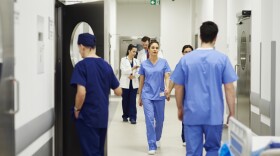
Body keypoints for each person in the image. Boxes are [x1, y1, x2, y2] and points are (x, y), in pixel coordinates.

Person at [171, 21, 237, 156]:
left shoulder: (186, 60)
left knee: (193, 152)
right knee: (213, 149)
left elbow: (178, 87)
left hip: (192, 113)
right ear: (215, 38)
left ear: (200, 37)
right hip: (214, 114)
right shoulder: (222, 59)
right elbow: (229, 88)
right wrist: (231, 112)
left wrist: (179, 108)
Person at [70, 33, 122, 156]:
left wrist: (77, 109)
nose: (80, 52)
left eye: (79, 49)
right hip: (102, 116)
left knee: (90, 152)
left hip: (88, 117)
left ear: (82, 47)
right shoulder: (106, 66)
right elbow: (118, 91)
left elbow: (81, 92)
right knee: (98, 150)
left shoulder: (81, 66)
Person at [138, 40, 171, 155]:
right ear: (149, 49)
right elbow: (141, 80)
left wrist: (167, 88)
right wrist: (140, 96)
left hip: (160, 94)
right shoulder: (144, 64)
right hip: (147, 94)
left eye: (157, 47)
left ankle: (156, 137)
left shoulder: (163, 62)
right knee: (149, 120)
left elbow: (167, 76)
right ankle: (151, 144)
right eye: (153, 47)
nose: (155, 49)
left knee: (160, 120)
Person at [166, 44, 194, 147]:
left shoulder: (196, 63)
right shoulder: (181, 64)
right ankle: (185, 138)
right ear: (182, 53)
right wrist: (168, 90)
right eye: (186, 51)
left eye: (190, 51)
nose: (187, 53)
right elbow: (174, 78)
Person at [119, 44, 140, 124]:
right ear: (129, 51)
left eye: (135, 52)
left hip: (134, 83)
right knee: (125, 101)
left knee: (132, 101)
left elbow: (139, 71)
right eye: (133, 51)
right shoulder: (123, 60)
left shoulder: (136, 61)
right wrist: (132, 69)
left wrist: (134, 76)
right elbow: (123, 71)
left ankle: (133, 118)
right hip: (125, 84)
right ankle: (125, 115)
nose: (135, 53)